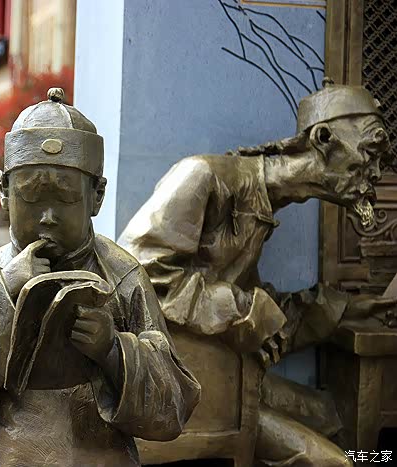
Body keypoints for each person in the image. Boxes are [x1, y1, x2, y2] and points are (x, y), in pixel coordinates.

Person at [118, 79, 396, 466]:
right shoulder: (203, 176)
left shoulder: (261, 206)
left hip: (233, 375)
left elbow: (264, 320)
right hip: (187, 386)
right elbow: (138, 274)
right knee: (334, 462)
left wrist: (344, 311)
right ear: (324, 138)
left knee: (331, 417)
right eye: (371, 151)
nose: (378, 172)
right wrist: (246, 310)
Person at [0, 88, 200, 467]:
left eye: (65, 199)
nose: (47, 217)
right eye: (31, 198)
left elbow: (173, 407)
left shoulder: (123, 275)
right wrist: (2, 293)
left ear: (96, 196)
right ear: (4, 191)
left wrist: (114, 351)